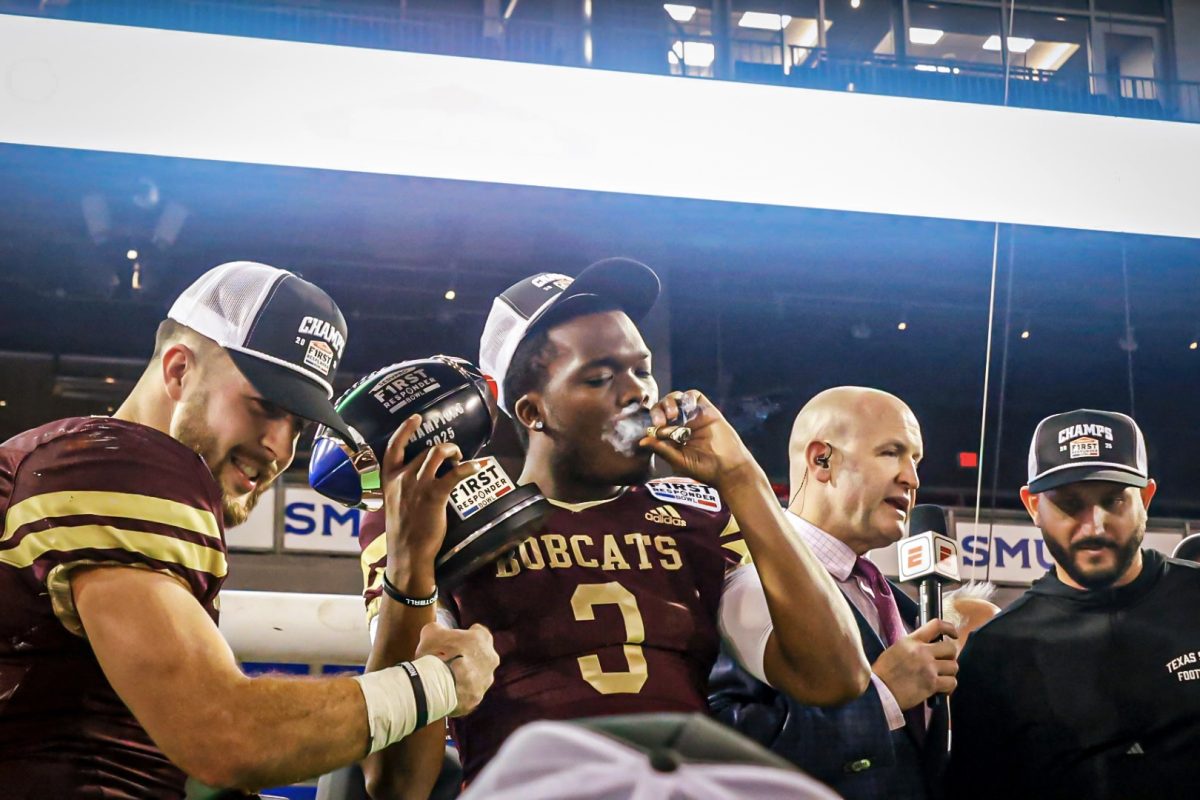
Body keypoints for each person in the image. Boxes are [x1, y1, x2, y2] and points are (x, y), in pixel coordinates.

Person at [357, 258, 870, 798]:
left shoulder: (699, 515)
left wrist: (743, 480)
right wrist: (412, 567)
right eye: (600, 377)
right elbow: (397, 786)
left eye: (642, 370)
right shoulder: (445, 519)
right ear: (532, 412)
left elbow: (837, 677)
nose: (638, 394)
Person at [0, 261, 498, 799]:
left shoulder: (68, 463)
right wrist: (438, 681)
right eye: (264, 407)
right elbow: (225, 735)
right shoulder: (112, 464)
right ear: (178, 371)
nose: (281, 450)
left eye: (298, 425)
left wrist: (407, 562)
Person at [709, 386, 958, 800]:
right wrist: (883, 698)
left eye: (915, 460)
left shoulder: (898, 605)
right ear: (821, 459)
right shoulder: (751, 583)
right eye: (891, 453)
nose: (912, 478)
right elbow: (730, 762)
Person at [946, 409, 1200, 799]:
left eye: (1114, 500)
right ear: (1033, 506)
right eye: (1070, 504)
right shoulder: (994, 652)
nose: (1094, 525)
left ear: (1146, 497)